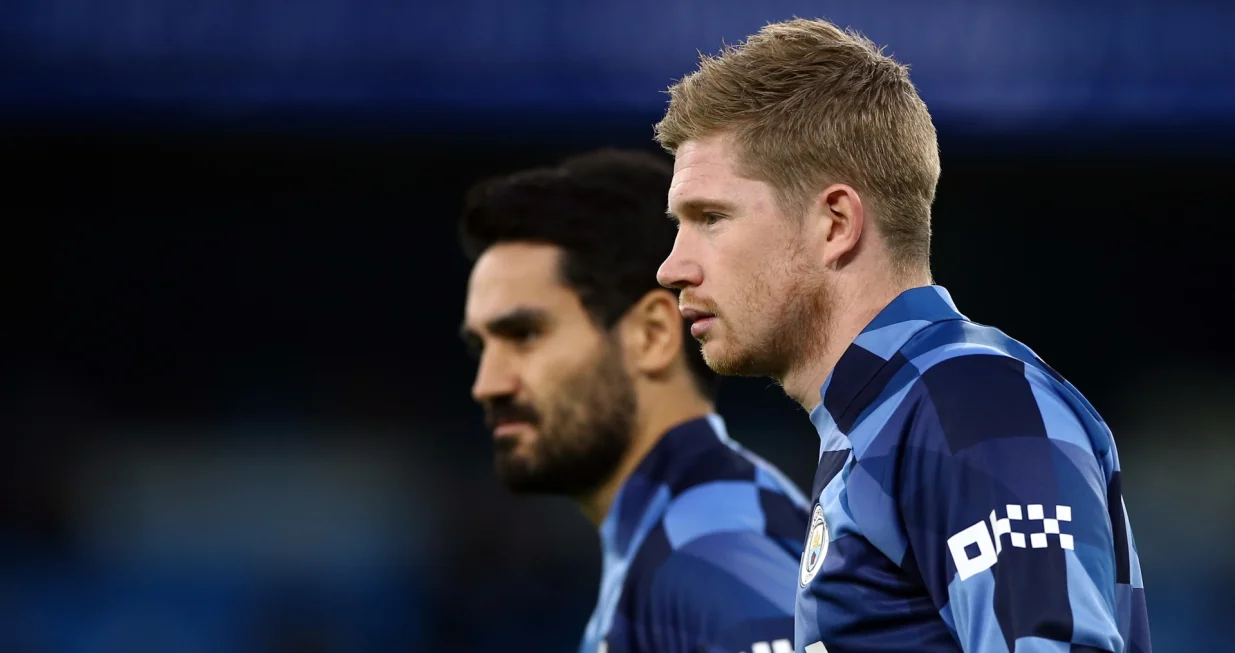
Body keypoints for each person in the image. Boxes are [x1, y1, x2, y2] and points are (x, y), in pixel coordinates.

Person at [653, 18, 1151, 653]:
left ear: (835, 223)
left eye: (711, 218)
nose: (672, 267)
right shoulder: (887, 421)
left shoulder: (968, 403)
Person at [458, 149, 811, 653]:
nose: (487, 383)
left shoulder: (709, 553)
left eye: (524, 334)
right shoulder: (675, 539)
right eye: (481, 346)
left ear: (651, 336)